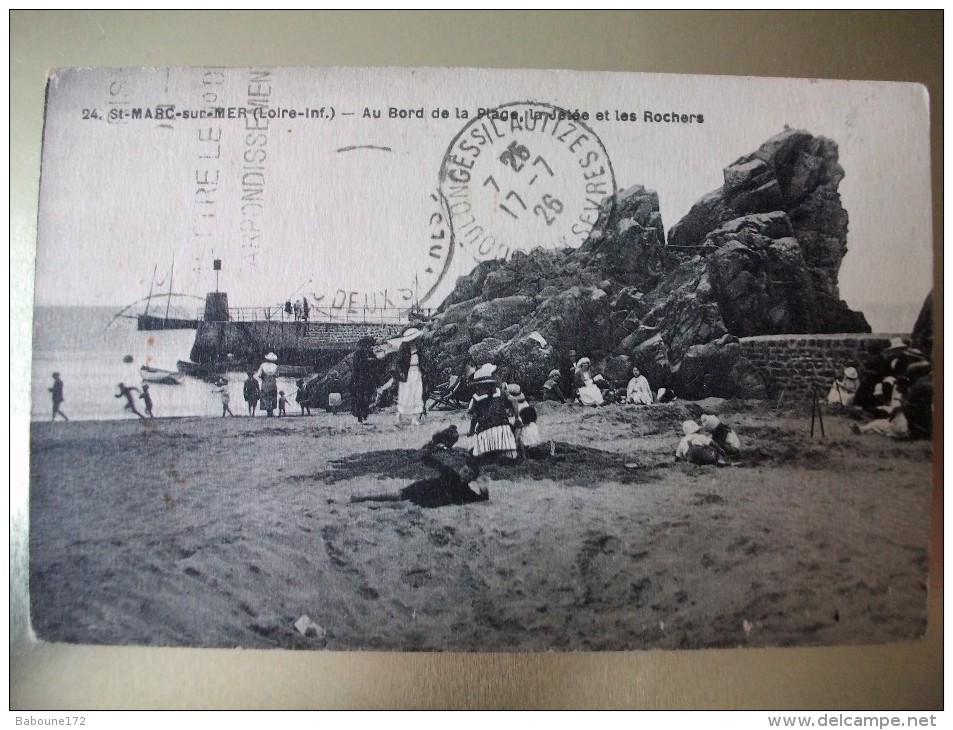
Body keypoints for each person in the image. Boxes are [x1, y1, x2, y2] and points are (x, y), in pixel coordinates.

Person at [350, 440, 487, 508]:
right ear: (461, 469)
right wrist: (429, 452)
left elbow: (481, 499)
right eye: (464, 470)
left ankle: (362, 498)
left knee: (398, 497)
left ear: (471, 478)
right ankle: (362, 498)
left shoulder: (466, 492)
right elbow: (433, 463)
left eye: (469, 473)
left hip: (432, 500)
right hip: (425, 489)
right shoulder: (452, 474)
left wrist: (482, 485)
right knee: (397, 495)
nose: (465, 474)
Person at [468, 364, 520, 461]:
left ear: (479, 384)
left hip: (485, 430)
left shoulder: (476, 397)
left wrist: (471, 430)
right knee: (510, 455)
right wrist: (517, 418)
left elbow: (474, 416)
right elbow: (514, 401)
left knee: (479, 456)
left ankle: (490, 455)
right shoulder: (501, 392)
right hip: (503, 429)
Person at [392, 327, 428, 427]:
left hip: (417, 372)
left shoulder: (418, 347)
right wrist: (401, 373)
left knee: (417, 394)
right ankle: (398, 416)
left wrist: (424, 369)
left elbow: (422, 360)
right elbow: (398, 363)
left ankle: (414, 419)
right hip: (407, 374)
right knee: (406, 395)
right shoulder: (404, 348)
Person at [350, 335, 378, 424]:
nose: (369, 347)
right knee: (360, 397)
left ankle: (365, 415)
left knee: (367, 397)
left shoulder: (370, 352)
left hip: (368, 378)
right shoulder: (358, 353)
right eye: (368, 345)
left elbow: (376, 362)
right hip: (359, 378)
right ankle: (360, 416)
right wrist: (368, 362)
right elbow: (357, 366)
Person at [258, 352, 279, 417]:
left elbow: (259, 375)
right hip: (272, 382)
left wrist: (263, 376)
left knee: (265, 396)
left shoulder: (262, 365)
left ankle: (268, 411)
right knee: (272, 396)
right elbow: (277, 375)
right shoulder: (275, 366)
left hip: (265, 382)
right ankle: (271, 411)